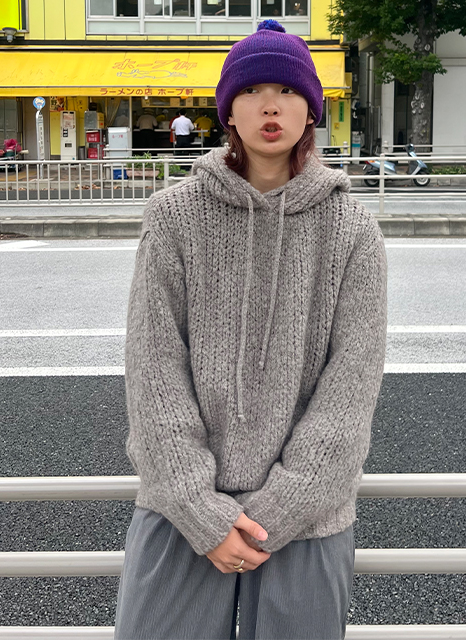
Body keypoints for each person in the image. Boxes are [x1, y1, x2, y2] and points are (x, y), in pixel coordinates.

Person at [115, 19, 387, 640]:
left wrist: (276, 513)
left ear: (312, 110)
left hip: (308, 517)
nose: (271, 105)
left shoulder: (352, 229)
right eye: (252, 90)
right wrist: (200, 510)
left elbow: (352, 385)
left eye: (289, 91)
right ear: (228, 111)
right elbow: (152, 369)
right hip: (180, 509)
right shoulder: (173, 216)